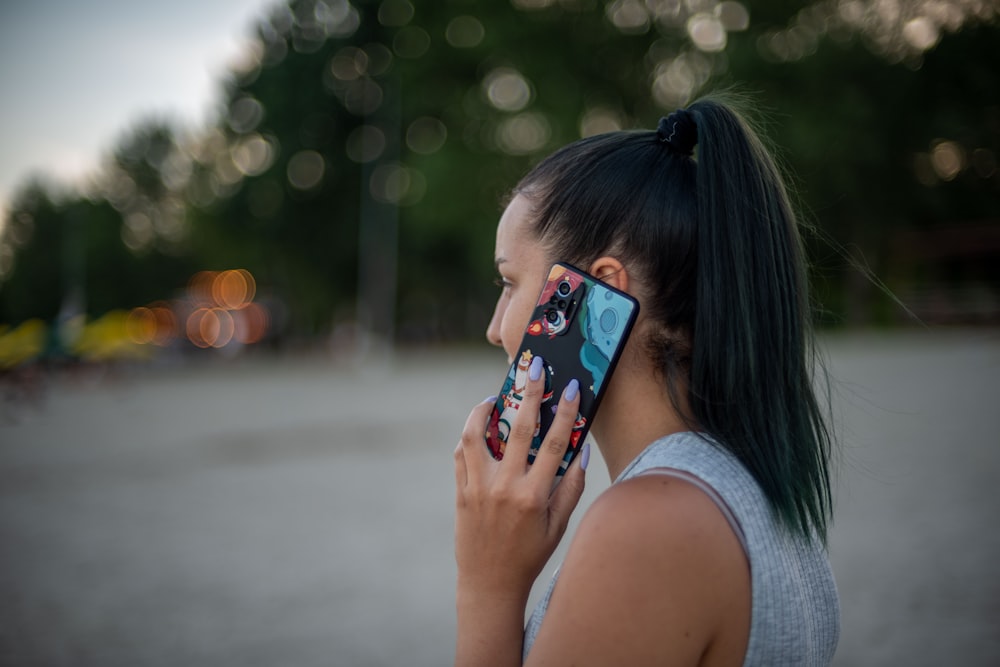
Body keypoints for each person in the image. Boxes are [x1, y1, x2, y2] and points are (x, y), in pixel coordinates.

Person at [453, 94, 840, 666]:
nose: (494, 329)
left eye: (508, 283)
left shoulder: (649, 529)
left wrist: (487, 585)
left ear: (599, 290)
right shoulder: (757, 488)